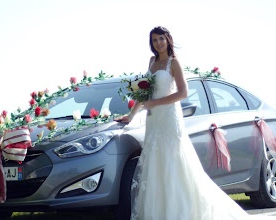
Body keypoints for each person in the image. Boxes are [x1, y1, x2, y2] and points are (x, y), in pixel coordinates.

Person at [114, 27, 268, 219]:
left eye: (161, 38)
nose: (158, 43)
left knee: (174, 162)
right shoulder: (152, 62)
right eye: (154, 40)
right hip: (154, 120)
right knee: (155, 163)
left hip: (170, 117)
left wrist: (156, 103)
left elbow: (183, 93)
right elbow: (143, 93)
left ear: (168, 39)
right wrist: (131, 114)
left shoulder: (174, 63)